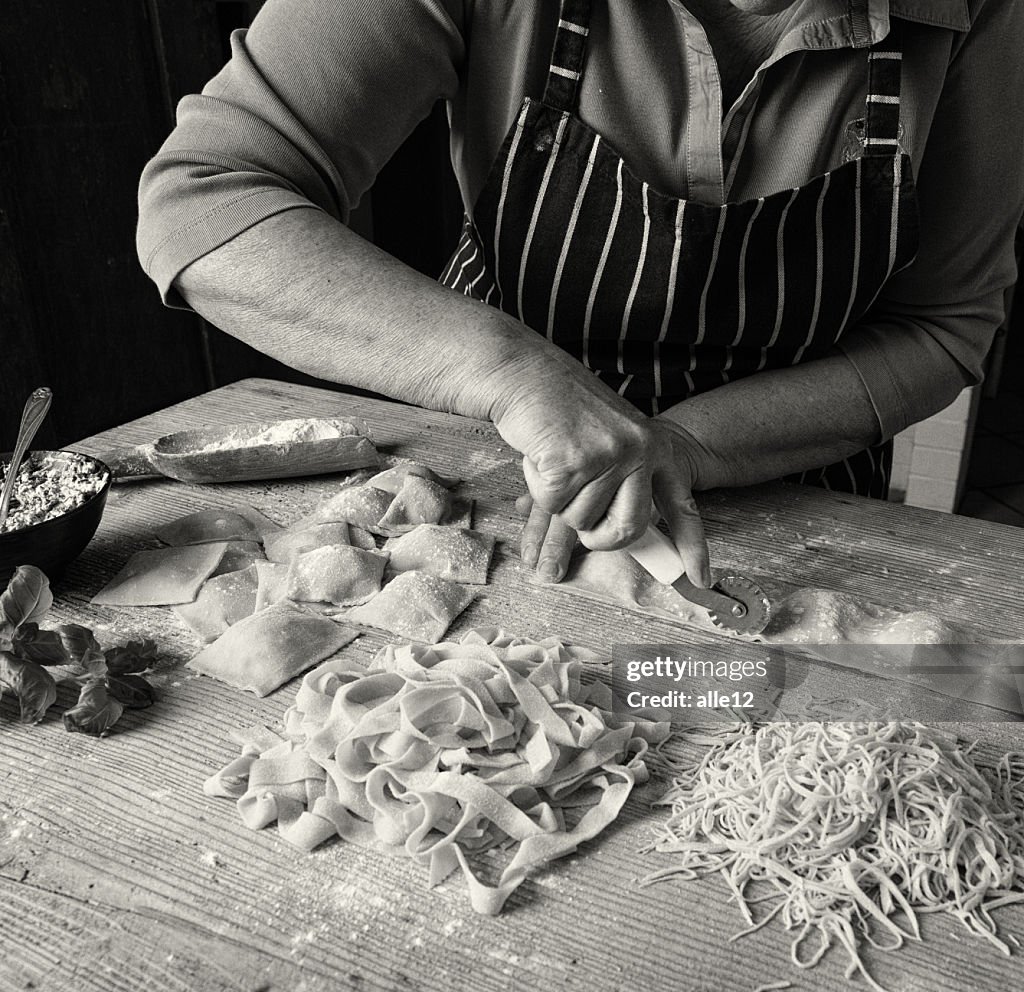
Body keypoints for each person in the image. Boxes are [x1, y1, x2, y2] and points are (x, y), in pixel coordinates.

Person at [137, 0, 1024, 588]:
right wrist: (523, 379)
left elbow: (943, 325)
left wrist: (686, 447)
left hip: (796, 494)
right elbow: (203, 199)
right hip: (495, 491)